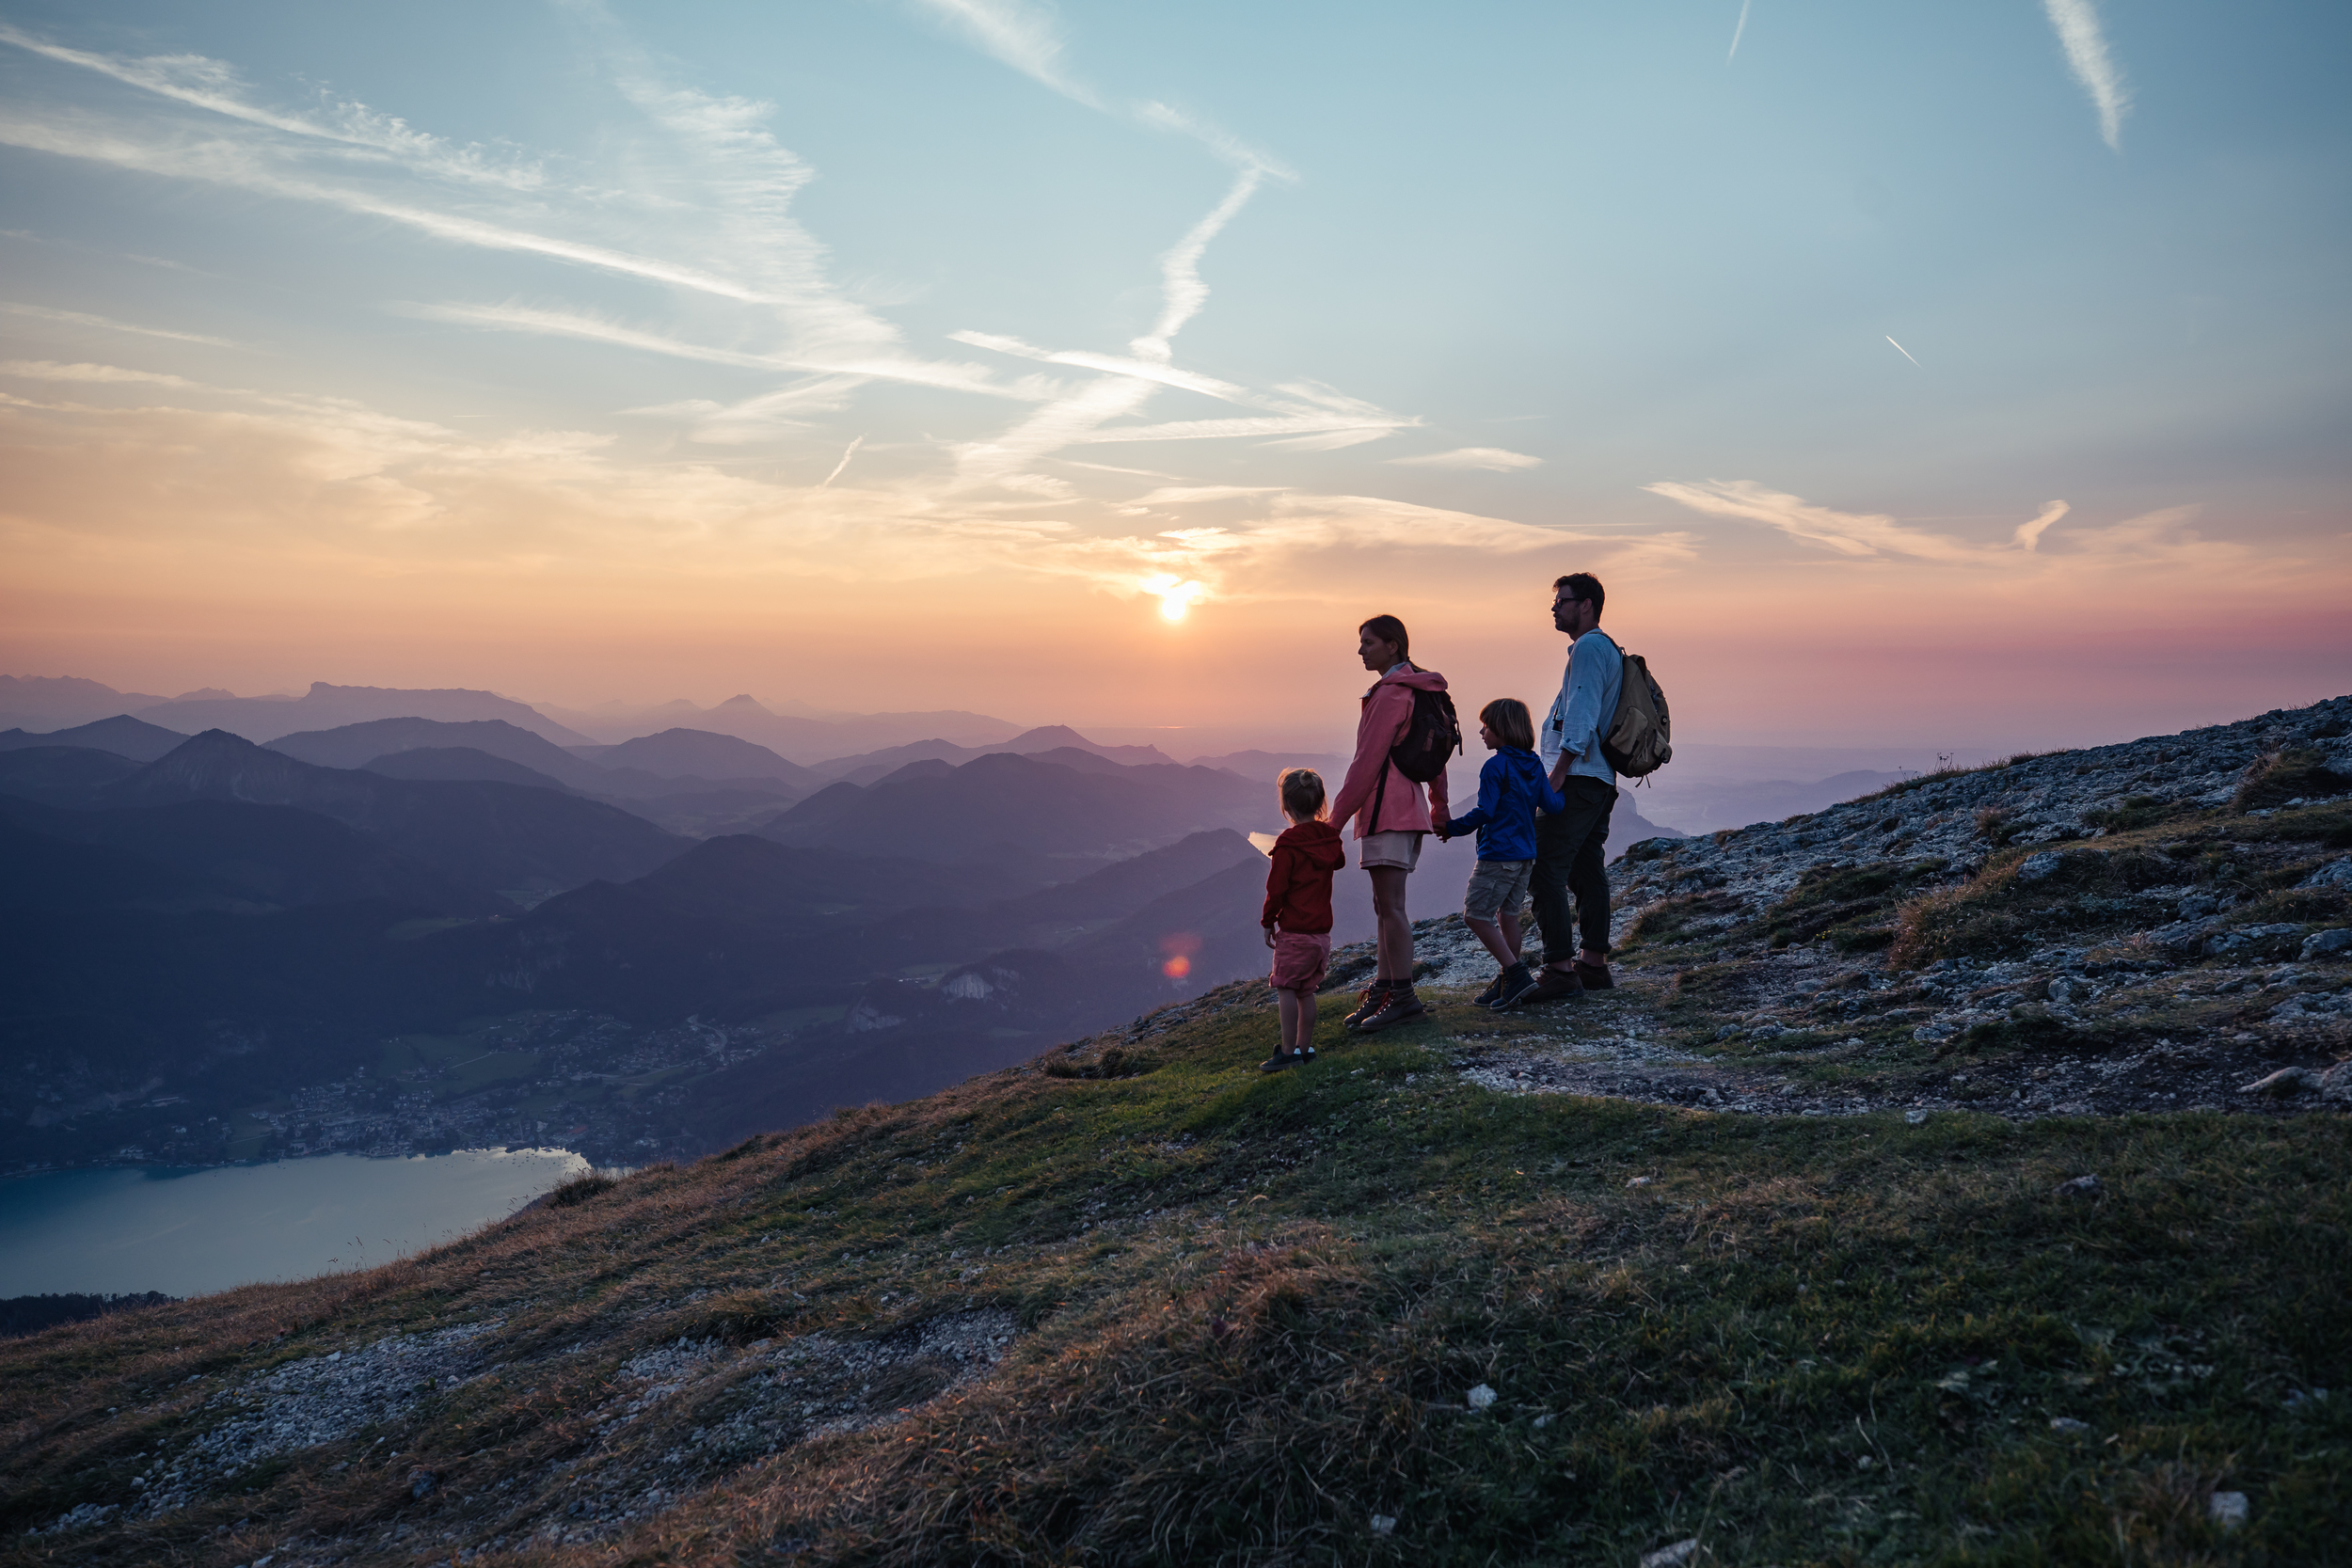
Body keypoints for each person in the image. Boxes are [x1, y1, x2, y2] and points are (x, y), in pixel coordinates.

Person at [1327, 614, 1452, 1032]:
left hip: (1387, 810)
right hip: (1408, 809)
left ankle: (1402, 997)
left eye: (1368, 642)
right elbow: (1434, 752)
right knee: (1385, 905)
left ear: (1393, 645)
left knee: (1391, 907)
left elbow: (1367, 764)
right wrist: (1439, 805)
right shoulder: (1419, 689)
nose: (1361, 650)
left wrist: (1333, 823)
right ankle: (1386, 990)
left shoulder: (1390, 695)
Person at [1521, 572, 1622, 1003]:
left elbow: (1579, 714)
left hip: (1578, 778)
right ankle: (1593, 965)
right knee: (1586, 870)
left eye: (1562, 601)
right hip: (1598, 779)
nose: (1555, 608)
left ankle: (1560, 968)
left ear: (1586, 605)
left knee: (1543, 868)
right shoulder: (1606, 649)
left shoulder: (1587, 648)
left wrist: (1557, 774)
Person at [1436, 698, 1565, 1009]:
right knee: (1507, 916)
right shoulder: (1534, 764)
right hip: (1525, 857)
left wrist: (1451, 827)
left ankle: (1516, 975)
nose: (1481, 732)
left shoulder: (1495, 766)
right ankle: (1507, 985)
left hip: (1499, 854)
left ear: (1503, 730)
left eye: (1486, 726)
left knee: (1475, 915)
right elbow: (1554, 805)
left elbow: (1486, 810)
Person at [1258, 768, 1346, 1072]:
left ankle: (1287, 1052)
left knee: (1285, 988)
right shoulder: (1329, 837)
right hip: (1321, 936)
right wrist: (1327, 833)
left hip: (1294, 933)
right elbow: (1339, 860)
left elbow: (1276, 889)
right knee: (1306, 992)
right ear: (1321, 802)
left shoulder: (1288, 845)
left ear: (1287, 807)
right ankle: (1304, 1048)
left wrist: (1268, 921)